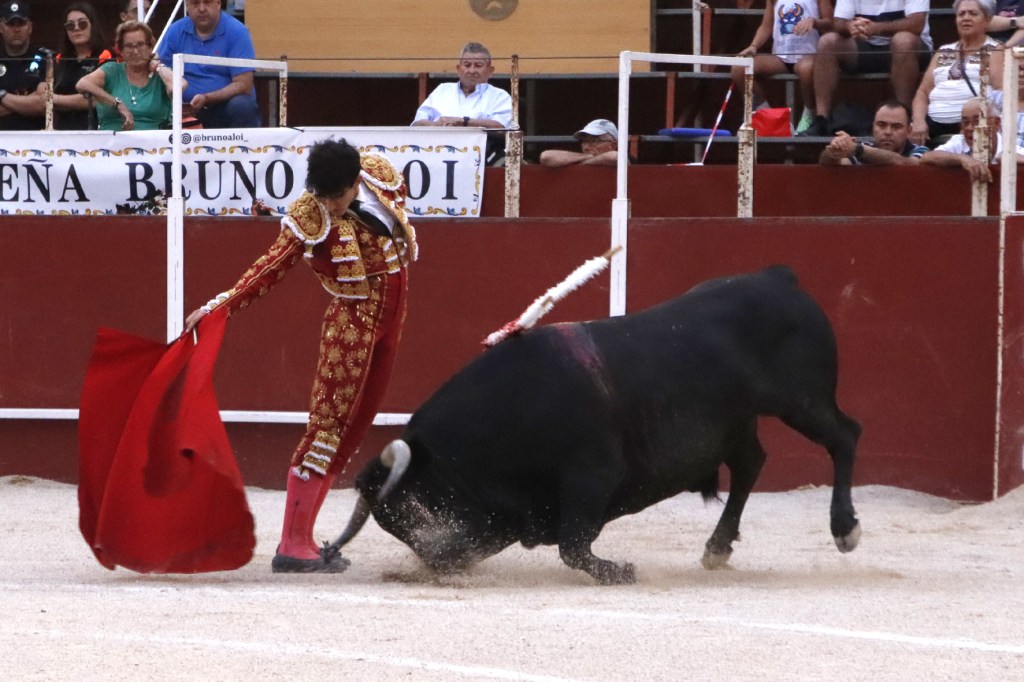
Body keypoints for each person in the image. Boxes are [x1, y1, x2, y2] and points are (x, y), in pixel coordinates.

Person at [183, 138, 418, 574]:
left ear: (356, 181)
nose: (328, 205)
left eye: (336, 196)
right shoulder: (309, 214)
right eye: (322, 196)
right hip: (353, 321)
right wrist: (220, 306)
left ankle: (304, 537)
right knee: (328, 425)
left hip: (392, 315)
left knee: (355, 426)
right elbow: (268, 268)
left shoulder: (379, 173)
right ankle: (292, 543)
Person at [799, 0, 933, 137]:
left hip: (910, 48)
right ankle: (822, 120)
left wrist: (877, 28)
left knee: (902, 41)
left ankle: (904, 118)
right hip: (865, 45)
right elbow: (838, 23)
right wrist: (849, 26)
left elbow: (916, 24)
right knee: (828, 41)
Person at [732, 0, 834, 134]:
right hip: (781, 56)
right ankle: (766, 113)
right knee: (739, 68)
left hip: (808, 54)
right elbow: (766, 27)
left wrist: (814, 22)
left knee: (806, 69)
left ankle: (809, 113)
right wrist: (754, 46)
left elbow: (830, 23)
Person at [911, 0, 1003, 147]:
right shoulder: (943, 51)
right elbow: (922, 92)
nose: (966, 18)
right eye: (961, 14)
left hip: (973, 124)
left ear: (987, 20)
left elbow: (1001, 93)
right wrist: (918, 121)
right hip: (932, 125)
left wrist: (969, 126)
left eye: (973, 14)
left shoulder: (996, 50)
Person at [157, 0, 260, 129]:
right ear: (187, 6)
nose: (201, 9)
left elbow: (244, 85)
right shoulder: (175, 31)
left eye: (207, 2)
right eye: (195, 3)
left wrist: (206, 98)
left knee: (242, 106)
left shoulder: (238, 32)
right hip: (183, 109)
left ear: (218, 3)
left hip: (224, 107)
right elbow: (159, 66)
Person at [412, 42, 512, 164]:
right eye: (467, 65)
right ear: (458, 69)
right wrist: (436, 125)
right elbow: (416, 124)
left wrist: (463, 122)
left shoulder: (500, 96)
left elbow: (501, 128)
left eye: (478, 65)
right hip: (435, 158)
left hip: (482, 162)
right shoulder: (442, 90)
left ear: (490, 71)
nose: (472, 70)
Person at [76, 21, 181, 131]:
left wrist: (158, 67)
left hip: (153, 140)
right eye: (129, 46)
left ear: (150, 47)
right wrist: (117, 104)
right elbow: (82, 84)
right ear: (121, 50)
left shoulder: (160, 74)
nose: (135, 51)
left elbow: (179, 86)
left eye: (141, 44)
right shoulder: (113, 70)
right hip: (111, 139)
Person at [920, 96, 1024, 182]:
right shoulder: (958, 142)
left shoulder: (1011, 147)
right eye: (965, 122)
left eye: (977, 121)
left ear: (996, 123)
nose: (969, 128)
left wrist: (1011, 159)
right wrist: (962, 159)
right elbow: (926, 157)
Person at [52, 2, 111, 130]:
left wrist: (55, 99)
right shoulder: (59, 59)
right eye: (70, 25)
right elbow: (44, 97)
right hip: (61, 130)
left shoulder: (105, 55)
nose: (76, 28)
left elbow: (99, 99)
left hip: (94, 129)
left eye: (82, 24)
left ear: (93, 26)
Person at [820, 99, 928, 164]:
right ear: (873, 127)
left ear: (909, 131)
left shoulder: (920, 151)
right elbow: (835, 163)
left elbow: (905, 163)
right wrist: (835, 150)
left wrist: (858, 150)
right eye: (881, 125)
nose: (888, 132)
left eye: (896, 127)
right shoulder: (863, 147)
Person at [0, 0, 46, 131]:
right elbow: (34, 103)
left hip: (36, 139)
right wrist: (27, 101)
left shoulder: (45, 59)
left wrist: (2, 96)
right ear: (1, 28)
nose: (16, 29)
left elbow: (42, 104)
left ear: (30, 27)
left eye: (21, 23)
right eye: (10, 24)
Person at [539, 118, 624, 167]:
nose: (586, 147)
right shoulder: (579, 157)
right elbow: (546, 157)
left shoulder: (623, 159)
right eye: (585, 141)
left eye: (594, 141)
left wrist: (580, 163)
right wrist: (588, 157)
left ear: (613, 145)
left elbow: (614, 157)